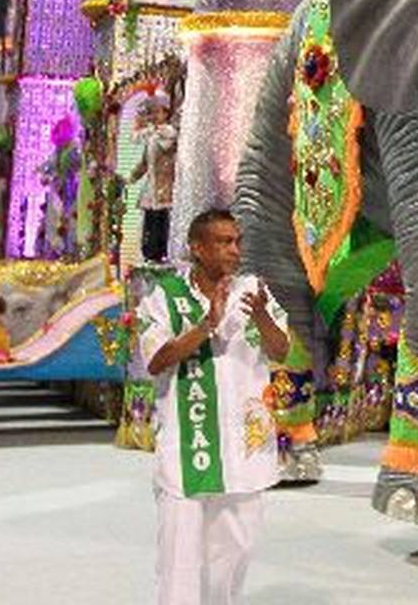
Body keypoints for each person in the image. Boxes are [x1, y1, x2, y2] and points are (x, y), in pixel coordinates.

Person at [137, 209, 292, 605]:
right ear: (197, 248)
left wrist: (260, 314)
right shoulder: (166, 295)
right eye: (224, 242)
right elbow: (155, 359)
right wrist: (207, 325)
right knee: (179, 562)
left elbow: (281, 350)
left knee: (235, 553)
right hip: (186, 450)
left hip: (244, 453)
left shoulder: (253, 289)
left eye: (237, 241)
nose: (235, 250)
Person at [129, 91, 179, 264]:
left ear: (166, 113)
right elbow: (145, 162)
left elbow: (167, 146)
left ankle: (160, 255)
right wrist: (132, 177)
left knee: (161, 222)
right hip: (151, 188)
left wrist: (152, 130)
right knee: (149, 221)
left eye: (158, 112)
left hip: (164, 187)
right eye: (152, 112)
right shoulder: (152, 135)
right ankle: (148, 255)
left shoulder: (169, 134)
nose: (154, 116)